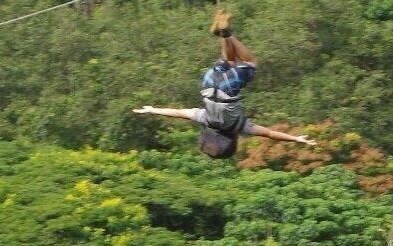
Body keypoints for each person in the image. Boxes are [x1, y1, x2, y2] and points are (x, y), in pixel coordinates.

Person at [132, 26, 316, 157]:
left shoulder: (237, 127)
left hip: (227, 89)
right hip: (208, 83)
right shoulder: (206, 119)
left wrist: (296, 139)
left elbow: (270, 134)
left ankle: (227, 33)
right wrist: (152, 110)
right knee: (229, 61)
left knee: (250, 63)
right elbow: (178, 113)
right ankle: (224, 33)